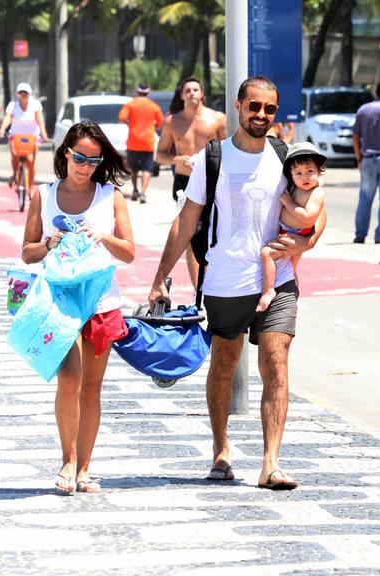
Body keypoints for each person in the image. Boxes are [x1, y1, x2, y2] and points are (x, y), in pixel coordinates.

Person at [149, 76, 326, 490]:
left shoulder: (284, 158)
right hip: (226, 280)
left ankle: (271, 463)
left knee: (276, 362)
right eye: (255, 107)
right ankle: (221, 450)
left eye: (270, 109)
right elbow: (185, 222)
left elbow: (315, 209)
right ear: (239, 106)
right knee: (224, 366)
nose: (262, 115)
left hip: (276, 279)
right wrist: (160, 278)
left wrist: (305, 243)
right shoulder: (213, 158)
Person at [22, 119, 135, 494]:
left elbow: (131, 252)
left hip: (101, 302)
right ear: (65, 154)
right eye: (79, 158)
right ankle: (67, 460)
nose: (85, 166)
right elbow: (27, 253)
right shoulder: (45, 194)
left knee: (91, 389)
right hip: (59, 303)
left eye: (93, 161)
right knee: (69, 380)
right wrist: (51, 242)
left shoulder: (110, 195)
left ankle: (84, 468)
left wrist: (105, 236)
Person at [156, 77, 226, 288]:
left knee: (216, 230)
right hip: (184, 181)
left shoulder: (217, 119)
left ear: (202, 94)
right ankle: (199, 288)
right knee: (189, 232)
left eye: (196, 89)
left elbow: (229, 148)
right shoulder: (172, 121)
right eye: (187, 90)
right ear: (181, 95)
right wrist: (176, 159)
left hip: (212, 180)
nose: (192, 93)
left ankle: (216, 281)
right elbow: (160, 155)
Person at [257, 142, 326, 312]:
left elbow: (309, 217)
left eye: (310, 171)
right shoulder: (296, 186)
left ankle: (268, 291)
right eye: (299, 173)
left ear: (319, 171)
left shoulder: (316, 192)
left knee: (267, 253)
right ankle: (292, 282)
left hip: (296, 232)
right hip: (287, 229)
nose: (305, 177)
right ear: (291, 175)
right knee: (291, 266)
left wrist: (288, 203)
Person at [0, 82, 48, 198]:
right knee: (15, 155)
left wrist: (43, 131)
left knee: (30, 161)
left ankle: (30, 187)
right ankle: (15, 175)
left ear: (29, 94)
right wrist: (2, 129)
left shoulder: (35, 104)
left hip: (32, 136)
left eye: (26, 92)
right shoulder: (12, 105)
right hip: (16, 136)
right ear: (18, 94)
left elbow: (39, 119)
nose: (23, 94)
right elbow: (8, 118)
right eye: (21, 92)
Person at [352, 80, 380, 244]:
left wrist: (358, 157)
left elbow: (356, 136)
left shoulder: (363, 110)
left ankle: (360, 234)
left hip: (367, 160)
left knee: (365, 199)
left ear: (376, 92)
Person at [118, 83, 164, 204]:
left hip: (133, 141)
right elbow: (160, 123)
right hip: (148, 141)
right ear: (148, 93)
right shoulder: (154, 106)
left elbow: (121, 117)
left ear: (137, 92)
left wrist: (130, 124)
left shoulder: (131, 104)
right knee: (147, 169)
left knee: (133, 168)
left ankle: (134, 190)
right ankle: (143, 192)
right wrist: (152, 125)